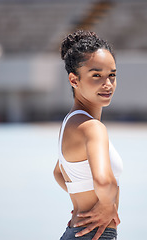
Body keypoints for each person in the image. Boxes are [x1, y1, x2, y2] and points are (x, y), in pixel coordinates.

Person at [53, 30, 123, 240]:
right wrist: (106, 206)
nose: (108, 84)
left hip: (78, 231)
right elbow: (104, 182)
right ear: (74, 80)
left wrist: (82, 202)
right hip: (95, 234)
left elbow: (59, 172)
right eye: (96, 75)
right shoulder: (93, 128)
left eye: (112, 75)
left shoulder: (71, 122)